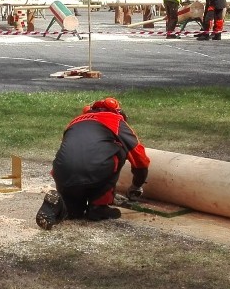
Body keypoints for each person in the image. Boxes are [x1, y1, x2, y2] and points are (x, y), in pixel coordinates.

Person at [35, 98, 150, 229]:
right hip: (93, 171)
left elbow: (72, 152)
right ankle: (99, 206)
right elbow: (140, 158)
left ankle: (57, 206)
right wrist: (136, 185)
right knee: (120, 150)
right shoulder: (115, 120)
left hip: (62, 173)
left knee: (74, 212)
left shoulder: (74, 122)